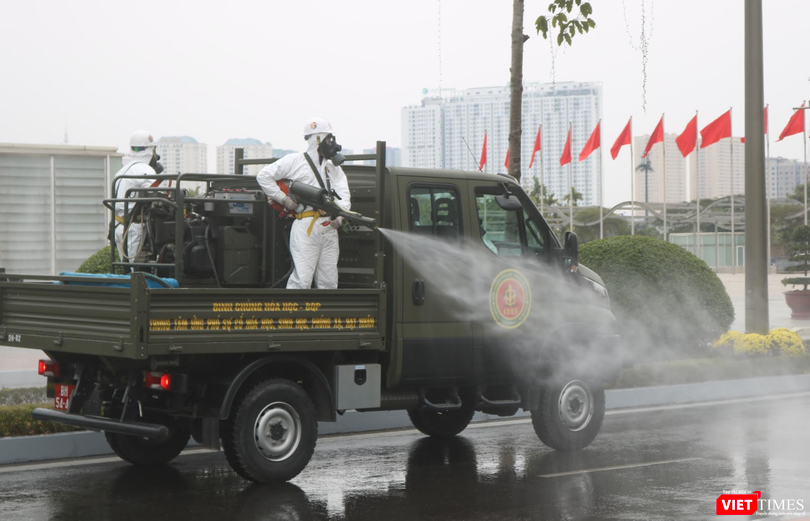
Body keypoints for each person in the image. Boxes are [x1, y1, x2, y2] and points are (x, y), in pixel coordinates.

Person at [256, 118, 351, 289]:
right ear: (317, 139)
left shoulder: (333, 167)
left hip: (329, 227)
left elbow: (343, 193)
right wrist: (283, 199)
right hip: (306, 226)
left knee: (329, 282)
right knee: (302, 280)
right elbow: (263, 176)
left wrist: (341, 215)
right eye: (328, 138)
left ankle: (325, 308)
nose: (331, 143)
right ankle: (294, 308)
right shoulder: (295, 161)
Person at [113, 130, 162, 266]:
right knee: (134, 269)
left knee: (126, 268)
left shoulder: (122, 170)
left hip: (119, 226)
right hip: (134, 228)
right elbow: (157, 199)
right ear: (151, 150)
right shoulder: (146, 170)